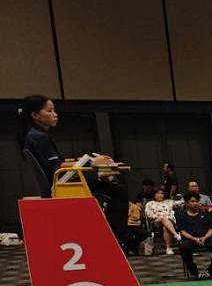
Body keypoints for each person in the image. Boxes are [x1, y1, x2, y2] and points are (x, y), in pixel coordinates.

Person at [16, 95, 130, 239]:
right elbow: (57, 166)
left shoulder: (34, 135)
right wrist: (92, 162)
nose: (55, 114)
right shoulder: (39, 137)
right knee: (118, 192)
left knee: (111, 188)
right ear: (35, 115)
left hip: (61, 181)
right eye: (49, 111)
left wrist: (84, 159)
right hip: (62, 184)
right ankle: (117, 238)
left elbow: (58, 162)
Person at [176, 194, 212, 278]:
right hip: (190, 239)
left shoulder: (205, 215)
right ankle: (195, 273)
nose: (195, 203)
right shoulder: (182, 217)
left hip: (205, 238)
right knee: (183, 248)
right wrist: (194, 238)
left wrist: (204, 238)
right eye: (192, 201)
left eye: (196, 201)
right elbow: (182, 231)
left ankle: (211, 271)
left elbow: (211, 229)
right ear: (187, 203)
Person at [144, 189, 177, 253]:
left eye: (161, 193)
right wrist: (158, 217)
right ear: (154, 195)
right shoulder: (149, 203)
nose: (160, 195)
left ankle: (168, 248)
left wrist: (165, 219)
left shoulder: (167, 203)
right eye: (158, 193)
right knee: (162, 218)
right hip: (155, 221)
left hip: (168, 221)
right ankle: (175, 234)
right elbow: (148, 214)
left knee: (165, 227)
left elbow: (171, 214)